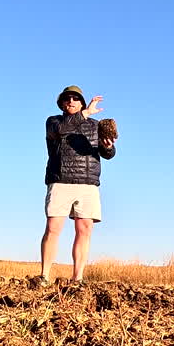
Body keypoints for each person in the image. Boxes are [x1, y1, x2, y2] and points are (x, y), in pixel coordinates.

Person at [40, 85, 116, 283]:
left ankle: (77, 279)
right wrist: (85, 113)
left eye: (75, 98)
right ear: (62, 104)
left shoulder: (95, 125)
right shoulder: (54, 122)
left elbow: (107, 154)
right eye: (67, 99)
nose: (71, 101)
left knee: (85, 230)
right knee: (53, 228)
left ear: (81, 102)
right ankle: (44, 276)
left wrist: (108, 146)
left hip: (88, 182)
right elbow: (62, 130)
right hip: (60, 179)